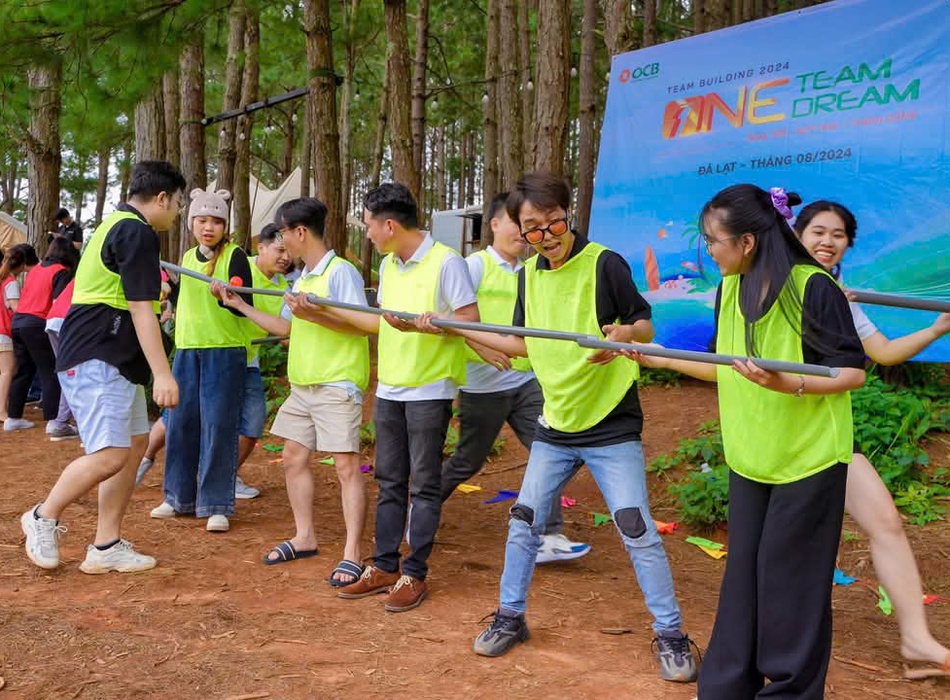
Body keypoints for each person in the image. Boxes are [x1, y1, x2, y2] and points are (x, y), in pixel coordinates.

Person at [420, 173, 697, 681]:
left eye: (554, 222)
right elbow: (523, 343)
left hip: (611, 423)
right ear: (518, 228)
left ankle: (671, 633)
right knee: (524, 520)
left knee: (636, 529)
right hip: (556, 423)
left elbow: (644, 324)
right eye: (532, 227)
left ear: (569, 215)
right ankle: (510, 616)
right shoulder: (529, 275)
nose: (545, 235)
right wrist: (452, 325)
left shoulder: (605, 263)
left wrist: (624, 333)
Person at [634, 185, 866, 698]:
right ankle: (727, 686)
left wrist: (789, 384)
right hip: (750, 457)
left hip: (808, 460)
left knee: (791, 586)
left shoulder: (814, 288)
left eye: (713, 241)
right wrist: (655, 356)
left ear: (747, 242)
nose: (708, 250)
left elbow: (852, 373)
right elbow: (726, 367)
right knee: (742, 579)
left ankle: (788, 690)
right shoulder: (730, 288)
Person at [795, 200, 950, 677]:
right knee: (786, 544)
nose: (827, 241)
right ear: (796, 235)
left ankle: (916, 643)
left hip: (829, 429)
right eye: (818, 231)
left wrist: (936, 328)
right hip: (779, 434)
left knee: (886, 521)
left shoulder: (840, 298)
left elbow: (882, 352)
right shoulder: (775, 287)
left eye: (838, 234)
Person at [318, 182, 479, 612]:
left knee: (423, 484)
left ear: (389, 225)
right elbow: (381, 322)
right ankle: (384, 566)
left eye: (369, 225)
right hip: (390, 388)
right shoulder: (389, 265)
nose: (367, 233)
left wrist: (436, 324)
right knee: (389, 480)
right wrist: (320, 312)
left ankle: (415, 573)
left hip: (430, 388)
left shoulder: (447, 262)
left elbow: (470, 321)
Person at [20, 160, 184, 574]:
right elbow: (141, 308)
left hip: (114, 357)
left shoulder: (116, 224)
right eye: (178, 203)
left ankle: (106, 545)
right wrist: (163, 374)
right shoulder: (136, 231)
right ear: (162, 198)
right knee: (111, 454)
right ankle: (43, 515)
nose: (178, 212)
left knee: (133, 445)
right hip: (98, 354)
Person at [213, 197, 371, 585]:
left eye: (283, 233)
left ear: (300, 232)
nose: (281, 242)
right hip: (303, 384)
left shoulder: (341, 272)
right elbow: (286, 329)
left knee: (346, 466)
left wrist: (314, 314)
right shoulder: (303, 279)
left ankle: (353, 552)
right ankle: (305, 537)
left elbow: (362, 325)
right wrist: (240, 305)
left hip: (336, 382)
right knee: (292, 457)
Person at [440, 192, 591, 564]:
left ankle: (549, 536)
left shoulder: (530, 270)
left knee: (549, 452)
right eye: (516, 224)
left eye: (527, 227)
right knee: (467, 461)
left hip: (524, 383)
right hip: (482, 385)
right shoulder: (473, 266)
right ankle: (422, 505)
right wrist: (482, 348)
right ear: (494, 224)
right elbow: (448, 317)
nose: (523, 234)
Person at [152, 187, 252, 533]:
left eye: (216, 221)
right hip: (187, 349)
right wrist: (170, 289)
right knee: (180, 424)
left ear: (226, 225)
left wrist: (227, 297)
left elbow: (243, 304)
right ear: (191, 222)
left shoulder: (235, 255)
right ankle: (177, 497)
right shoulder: (185, 257)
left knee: (218, 426)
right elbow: (184, 299)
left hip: (224, 351)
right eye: (202, 220)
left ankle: (216, 504)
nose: (209, 227)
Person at [6, 236, 78, 433]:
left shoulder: (35, 270)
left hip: (18, 322)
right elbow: (58, 303)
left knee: (24, 371)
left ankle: (13, 417)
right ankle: (55, 421)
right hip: (37, 323)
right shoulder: (60, 271)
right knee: (51, 371)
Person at [0, 244, 38, 424]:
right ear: (21, 266)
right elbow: (16, 308)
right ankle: (1, 410)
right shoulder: (11, 282)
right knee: (8, 371)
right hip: (4, 331)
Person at [44, 278, 79, 440]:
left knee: (68, 372)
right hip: (69, 320)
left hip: (54, 320)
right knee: (76, 372)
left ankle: (60, 423)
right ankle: (69, 424)